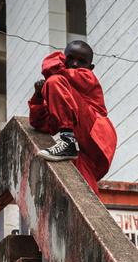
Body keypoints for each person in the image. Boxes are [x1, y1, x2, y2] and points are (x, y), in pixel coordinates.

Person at [28, 40, 117, 194]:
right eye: (70, 58)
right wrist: (38, 96)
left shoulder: (86, 77)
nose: (75, 64)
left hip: (97, 132)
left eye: (81, 61)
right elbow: (41, 125)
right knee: (84, 190)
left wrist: (59, 66)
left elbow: (51, 68)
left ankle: (67, 141)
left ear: (91, 67)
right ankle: (68, 142)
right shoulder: (62, 95)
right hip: (86, 150)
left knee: (54, 81)